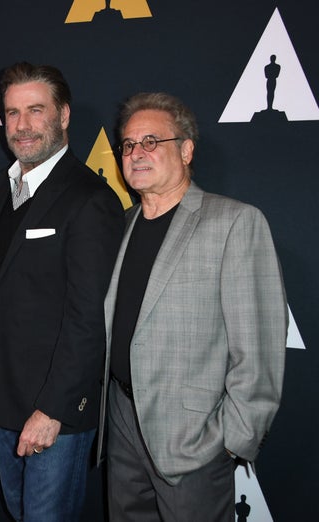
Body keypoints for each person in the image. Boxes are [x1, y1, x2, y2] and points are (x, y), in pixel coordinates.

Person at [99, 91, 287, 521]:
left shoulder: (235, 222)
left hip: (195, 438)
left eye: (152, 141)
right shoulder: (120, 226)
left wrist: (230, 440)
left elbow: (257, 350)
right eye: (128, 144)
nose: (136, 153)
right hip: (123, 425)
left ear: (186, 150)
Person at [0, 62, 125, 521]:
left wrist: (52, 409)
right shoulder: (2, 185)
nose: (22, 125)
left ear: (64, 115)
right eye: (13, 113)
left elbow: (90, 317)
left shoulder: (91, 198)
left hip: (52, 410)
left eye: (36, 110)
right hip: (3, 398)